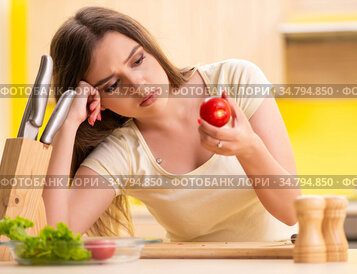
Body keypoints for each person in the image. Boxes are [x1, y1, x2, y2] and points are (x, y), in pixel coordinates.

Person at [43, 6, 301, 242]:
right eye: (113, 85)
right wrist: (67, 125)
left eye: (138, 60)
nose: (138, 84)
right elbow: (54, 235)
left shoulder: (235, 80)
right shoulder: (123, 153)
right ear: (99, 101)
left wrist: (249, 148)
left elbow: (291, 211)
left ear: (150, 49)